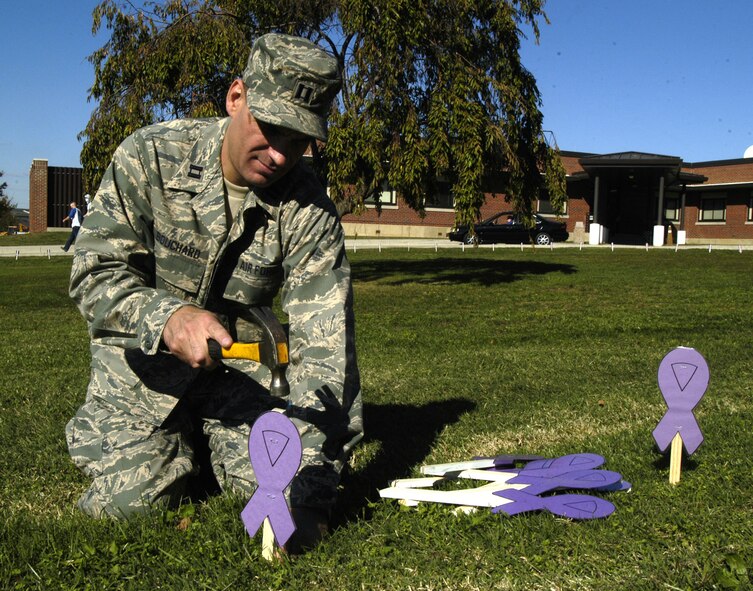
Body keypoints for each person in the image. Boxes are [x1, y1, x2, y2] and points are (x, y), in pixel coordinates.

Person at [65, 33, 363, 554]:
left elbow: (326, 353)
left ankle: (205, 450)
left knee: (284, 496)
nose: (279, 155)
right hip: (143, 373)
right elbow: (95, 271)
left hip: (242, 383)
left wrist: (312, 495)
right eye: (270, 129)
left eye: (297, 140)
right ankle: (168, 449)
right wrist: (167, 316)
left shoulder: (308, 208)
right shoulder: (151, 157)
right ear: (235, 97)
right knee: (133, 503)